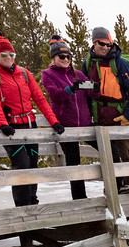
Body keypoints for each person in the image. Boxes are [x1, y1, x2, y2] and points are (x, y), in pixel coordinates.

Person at [0, 34, 61, 207]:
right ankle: (23, 206)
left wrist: (53, 121)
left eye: (11, 54)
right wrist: (2, 124)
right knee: (21, 164)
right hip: (11, 126)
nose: (8, 58)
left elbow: (39, 98)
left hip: (30, 124)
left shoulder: (23, 73)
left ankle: (33, 201)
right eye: (4, 55)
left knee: (32, 164)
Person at [85, 26, 129, 190]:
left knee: (127, 155)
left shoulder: (120, 63)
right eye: (101, 44)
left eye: (108, 44)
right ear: (94, 43)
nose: (105, 47)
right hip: (100, 119)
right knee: (108, 156)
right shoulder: (88, 63)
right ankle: (113, 188)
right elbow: (84, 92)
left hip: (120, 117)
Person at [38, 37, 94, 201]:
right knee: (74, 162)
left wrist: (93, 87)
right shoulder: (48, 74)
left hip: (85, 123)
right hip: (66, 125)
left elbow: (91, 91)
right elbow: (55, 95)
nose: (65, 60)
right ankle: (80, 199)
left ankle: (114, 188)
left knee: (110, 150)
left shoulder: (78, 74)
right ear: (54, 58)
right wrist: (70, 89)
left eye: (68, 57)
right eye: (62, 57)